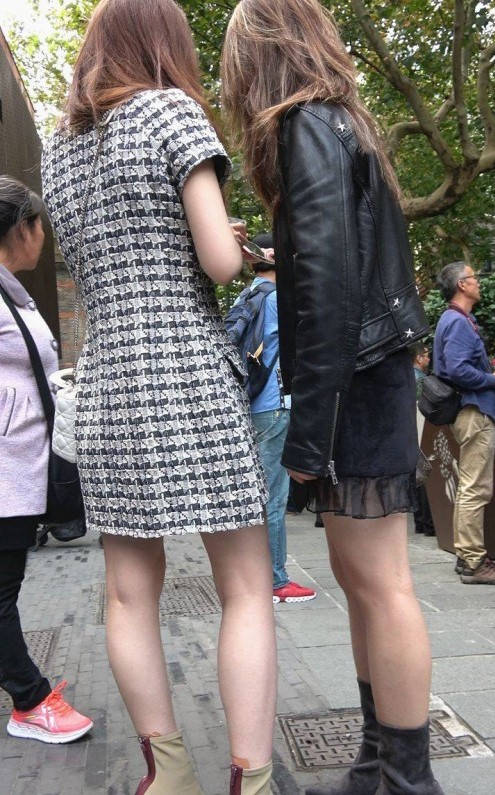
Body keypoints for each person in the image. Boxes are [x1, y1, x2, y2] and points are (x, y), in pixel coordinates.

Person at [41, 2, 276, 794]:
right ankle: (251, 777)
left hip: (108, 379)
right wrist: (231, 242)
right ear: (163, 43)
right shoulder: (170, 111)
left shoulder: (60, 147)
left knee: (127, 591)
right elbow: (217, 262)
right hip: (185, 369)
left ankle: (166, 773)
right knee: (244, 584)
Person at [221, 2, 443, 794]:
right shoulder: (339, 122)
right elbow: (336, 265)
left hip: (354, 380)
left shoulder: (304, 125)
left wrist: (309, 434)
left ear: (262, 55)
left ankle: (406, 779)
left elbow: (329, 287)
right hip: (369, 373)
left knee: (379, 583)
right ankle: (379, 764)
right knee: (365, 582)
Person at [0, 176, 93, 744]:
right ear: (23, 228)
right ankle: (30, 700)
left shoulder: (13, 291)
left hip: (19, 465)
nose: (45, 236)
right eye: (41, 226)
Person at [246, 232, 316, 604]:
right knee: (274, 498)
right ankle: (276, 581)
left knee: (259, 496)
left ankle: (257, 576)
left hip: (253, 405)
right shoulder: (276, 299)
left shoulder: (249, 295)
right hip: (275, 405)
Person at [434, 261, 495, 584]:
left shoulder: (455, 320)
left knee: (470, 486)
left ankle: (466, 556)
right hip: (474, 412)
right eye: (474, 277)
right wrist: (492, 378)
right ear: (462, 285)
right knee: (476, 488)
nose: (478, 282)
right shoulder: (458, 322)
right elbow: (457, 370)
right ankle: (473, 561)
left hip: (468, 411)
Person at [410, 343, 435, 536]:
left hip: (409, 431)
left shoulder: (406, 377)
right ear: (419, 358)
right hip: (420, 428)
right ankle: (427, 523)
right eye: (426, 356)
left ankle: (419, 521)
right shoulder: (422, 380)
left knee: (416, 475)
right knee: (424, 475)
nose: (428, 359)